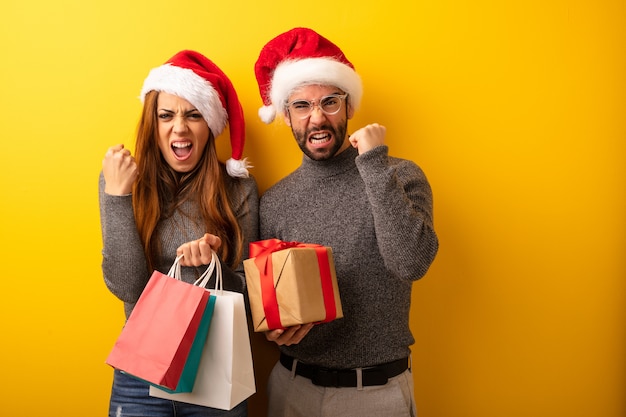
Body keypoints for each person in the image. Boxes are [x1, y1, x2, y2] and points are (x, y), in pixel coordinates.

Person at [253, 28, 439, 417]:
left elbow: (410, 263)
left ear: (349, 107)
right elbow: (269, 300)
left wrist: (372, 164)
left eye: (330, 102)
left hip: (376, 394)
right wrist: (272, 329)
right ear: (286, 115)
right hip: (293, 388)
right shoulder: (274, 201)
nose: (317, 118)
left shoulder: (398, 175)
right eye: (301, 105)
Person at [100, 50, 258, 417]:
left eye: (194, 115)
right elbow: (127, 287)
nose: (180, 128)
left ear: (210, 126)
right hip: (140, 373)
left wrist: (213, 269)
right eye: (166, 115)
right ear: (152, 123)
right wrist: (119, 196)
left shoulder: (239, 189)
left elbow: (250, 295)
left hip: (215, 365)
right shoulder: (121, 182)